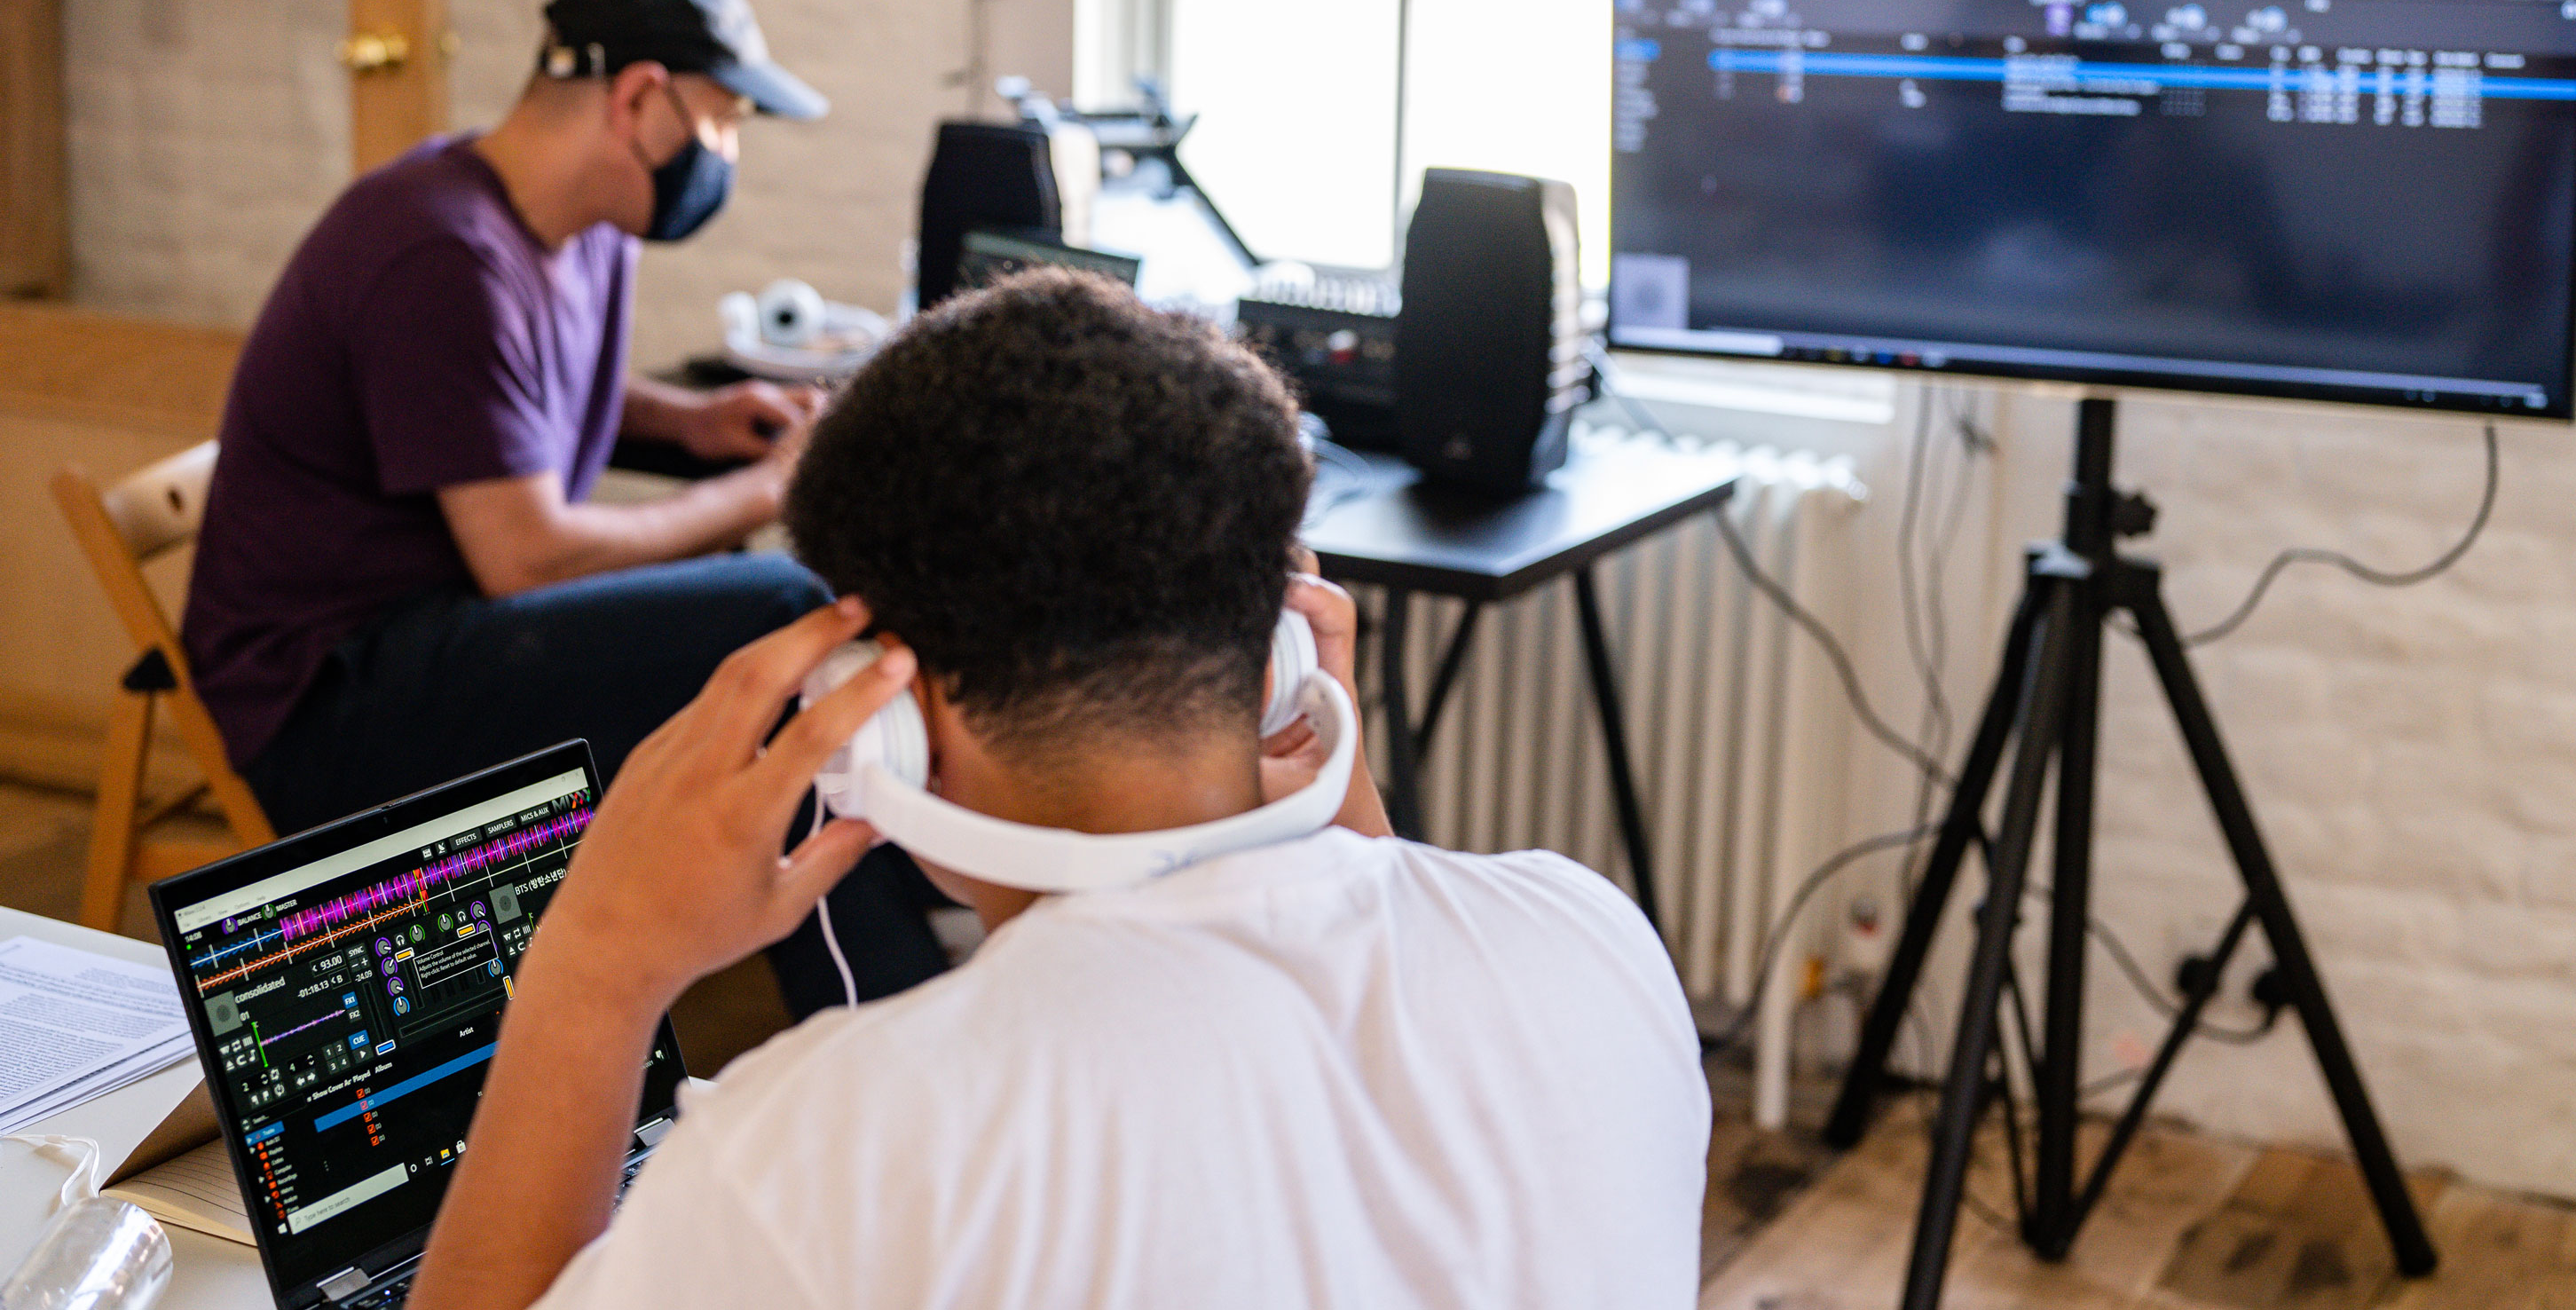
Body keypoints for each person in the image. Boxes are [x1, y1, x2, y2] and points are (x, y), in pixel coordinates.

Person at [407, 271, 1710, 1310]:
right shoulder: (1594, 943)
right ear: (1279, 662)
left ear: (895, 718)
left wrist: (591, 971)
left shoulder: (832, 1148)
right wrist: (1329, 777)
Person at [183, 0, 948, 1002]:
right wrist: (768, 487)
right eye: (720, 119)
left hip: (442, 640)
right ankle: (887, 1001)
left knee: (765, 645)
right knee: (772, 608)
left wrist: (694, 425)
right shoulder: (437, 252)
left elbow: (505, 397)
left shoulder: (572, 226)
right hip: (330, 709)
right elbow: (527, 558)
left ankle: (894, 937)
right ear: (640, 98)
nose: (724, 151)